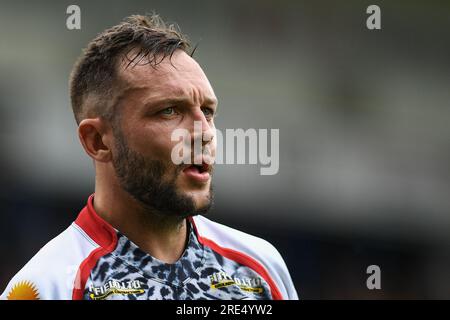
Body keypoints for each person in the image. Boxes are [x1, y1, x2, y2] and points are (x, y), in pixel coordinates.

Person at [1, 14, 298, 300]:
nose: (203, 133)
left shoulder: (259, 269)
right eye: (169, 111)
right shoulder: (51, 286)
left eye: (207, 112)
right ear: (98, 140)